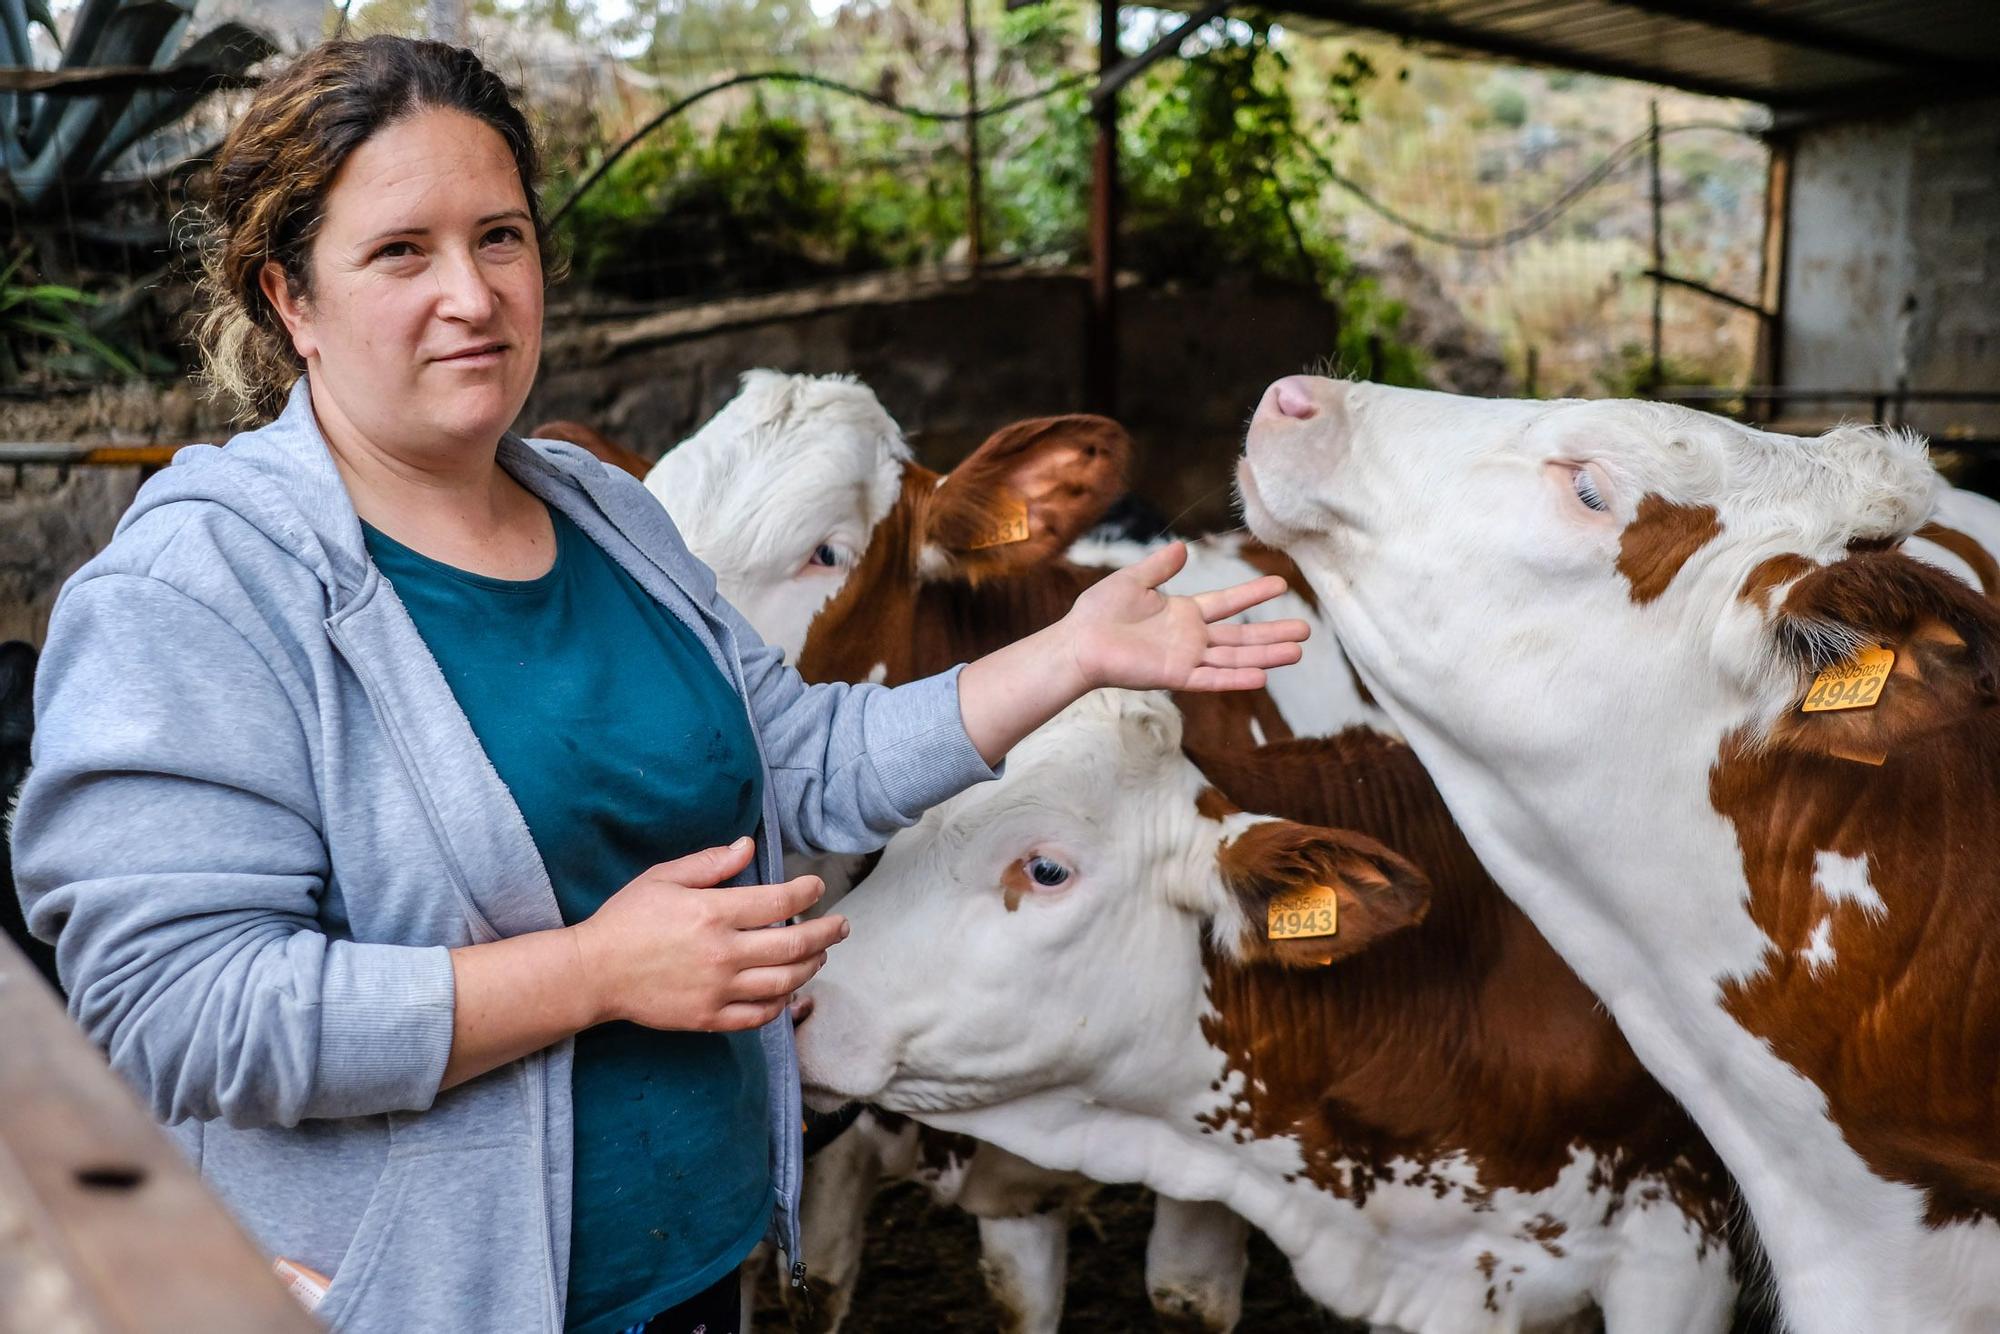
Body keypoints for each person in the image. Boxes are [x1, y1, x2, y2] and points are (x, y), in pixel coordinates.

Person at [10, 36, 1306, 1334]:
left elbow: (797, 764)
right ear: (290, 296)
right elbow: (174, 1011)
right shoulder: (196, 590)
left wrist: (1072, 656)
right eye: (402, 251)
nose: (472, 293)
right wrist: (591, 971)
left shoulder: (610, 515)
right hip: (425, 1299)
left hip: (700, 1270)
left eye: (500, 238)